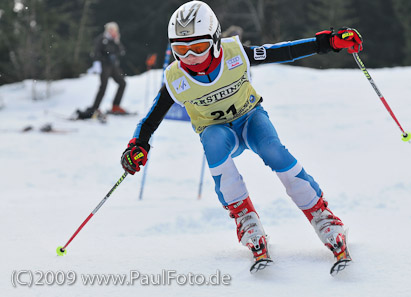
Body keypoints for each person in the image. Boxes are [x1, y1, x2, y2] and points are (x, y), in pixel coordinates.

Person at [120, 1, 362, 274]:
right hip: (220, 134)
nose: (190, 56)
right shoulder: (176, 78)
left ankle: (320, 214)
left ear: (214, 40)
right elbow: (150, 119)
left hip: (250, 120)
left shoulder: (235, 54)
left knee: (273, 150)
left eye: (197, 47)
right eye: (180, 49)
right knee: (211, 141)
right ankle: (244, 216)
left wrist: (327, 42)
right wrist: (137, 145)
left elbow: (282, 51)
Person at [80, 22, 128, 119]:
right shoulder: (102, 39)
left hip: (113, 66)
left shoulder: (115, 40)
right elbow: (96, 52)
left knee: (122, 83)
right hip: (104, 65)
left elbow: (122, 51)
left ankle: (116, 106)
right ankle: (95, 107)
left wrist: (117, 41)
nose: (112, 32)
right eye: (111, 30)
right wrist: (97, 63)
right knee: (103, 86)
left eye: (114, 30)